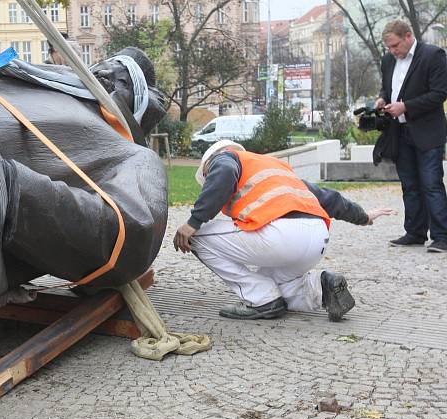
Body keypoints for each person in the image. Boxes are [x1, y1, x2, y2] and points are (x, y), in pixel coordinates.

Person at [174, 141, 394, 321]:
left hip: (282, 234)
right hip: (317, 238)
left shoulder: (225, 159)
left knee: (198, 238)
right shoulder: (275, 168)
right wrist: (363, 217)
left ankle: (261, 301)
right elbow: (329, 198)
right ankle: (322, 288)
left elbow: (225, 171)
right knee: (278, 286)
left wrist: (193, 223)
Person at [374, 20, 447, 253]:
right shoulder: (388, 60)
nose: (392, 51)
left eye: (395, 46)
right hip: (399, 132)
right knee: (410, 186)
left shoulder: (433, 55)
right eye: (389, 48)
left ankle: (442, 236)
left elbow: (439, 94)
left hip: (427, 132)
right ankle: (415, 232)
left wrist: (406, 107)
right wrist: (382, 98)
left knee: (431, 185)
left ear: (408, 36)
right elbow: (388, 87)